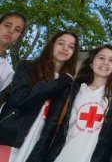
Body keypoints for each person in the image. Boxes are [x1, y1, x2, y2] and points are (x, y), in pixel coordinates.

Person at [0, 31, 78, 162]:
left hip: (37, 146)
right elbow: (19, 99)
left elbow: (60, 125)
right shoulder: (28, 67)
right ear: (51, 45)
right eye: (61, 43)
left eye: (71, 46)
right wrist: (59, 83)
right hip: (11, 137)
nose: (65, 48)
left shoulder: (69, 85)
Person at [45, 45, 112, 162]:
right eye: (101, 58)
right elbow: (51, 126)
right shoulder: (71, 91)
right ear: (91, 63)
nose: (105, 62)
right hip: (61, 156)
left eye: (111, 60)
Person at [0, 11, 27, 91]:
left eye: (17, 30)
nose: (11, 31)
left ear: (18, 37)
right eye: (7, 25)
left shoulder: (8, 73)